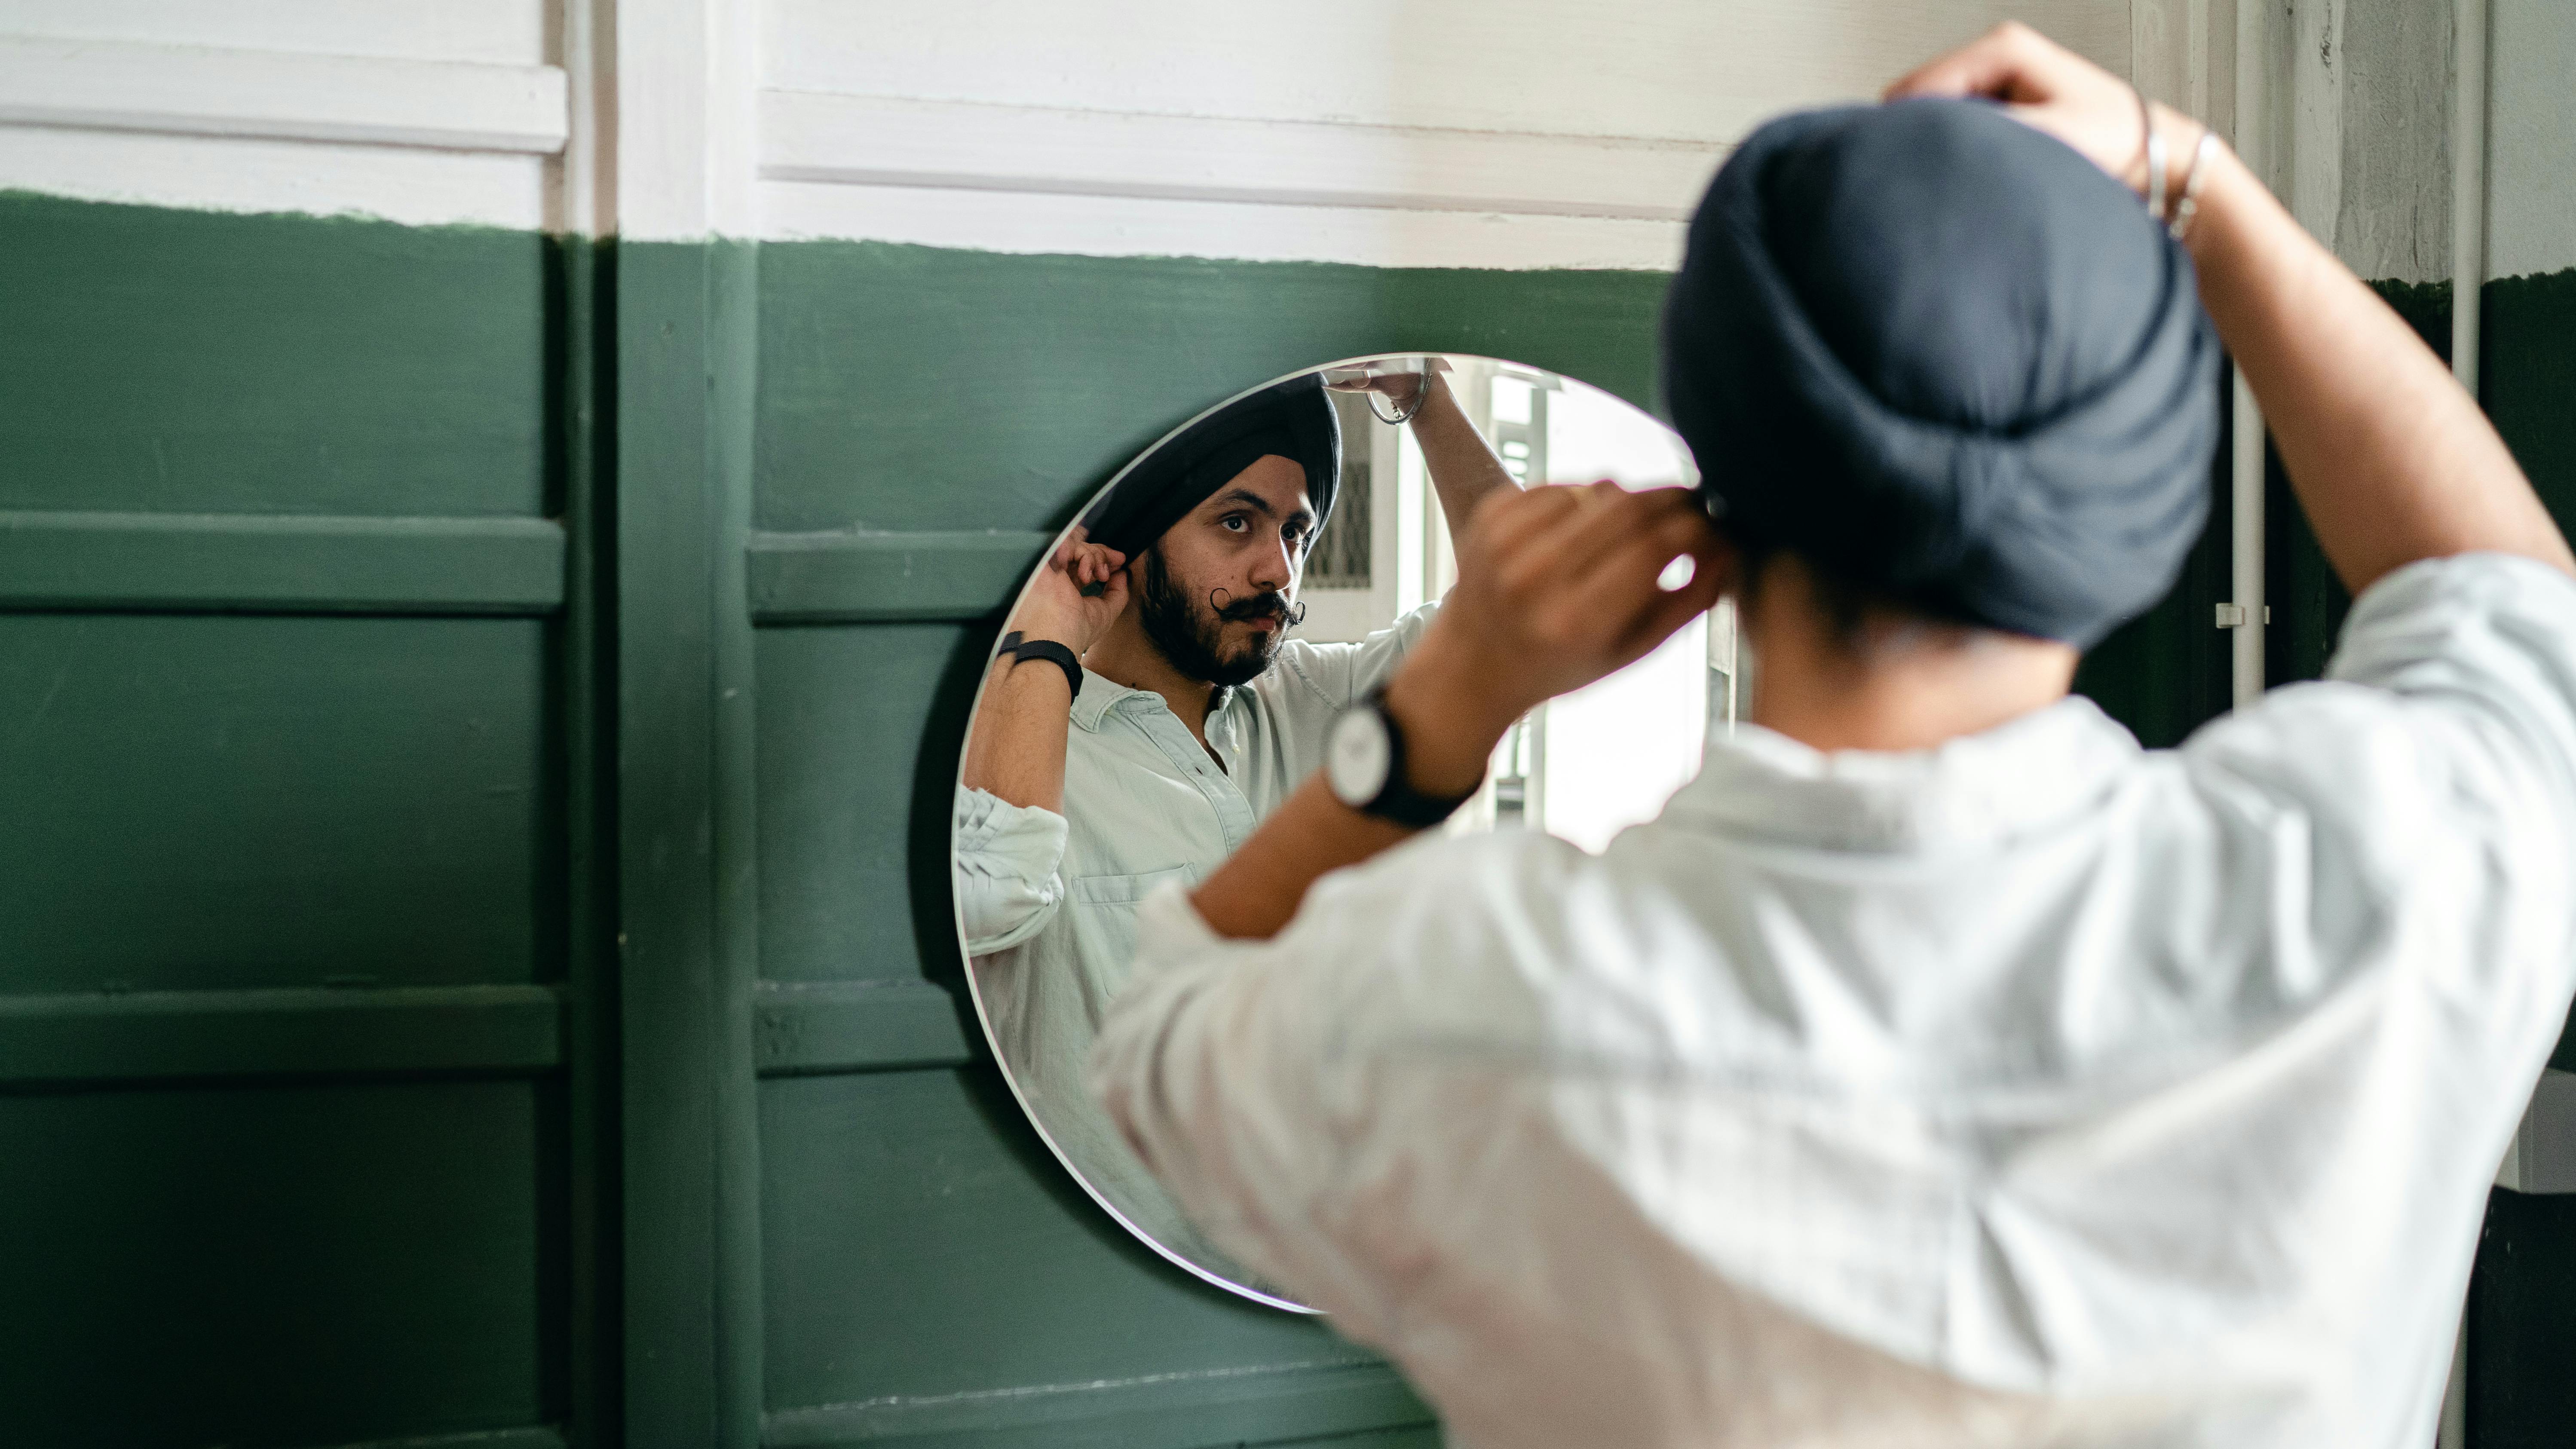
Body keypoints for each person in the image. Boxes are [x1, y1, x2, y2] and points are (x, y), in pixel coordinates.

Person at [1090, 23, 2576, 1449]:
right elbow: (2509, 604)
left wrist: (1436, 722)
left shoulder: (1473, 1006)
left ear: (1716, 492)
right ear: (2140, 522)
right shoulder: (2377, 889)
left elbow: (1157, 1039)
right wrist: (2196, 180)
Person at [953, 367, 1513, 1282]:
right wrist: (1047, 637)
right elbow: (990, 903)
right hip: (1103, 1298)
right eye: (1236, 523)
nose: (1279, 569)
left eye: (1295, 530)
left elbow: (1518, 615)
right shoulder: (1022, 730)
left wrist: (1429, 403)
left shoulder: (1316, 705)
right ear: (1133, 540)